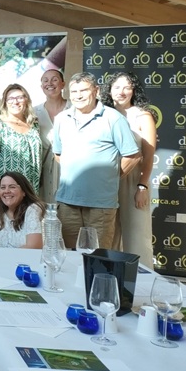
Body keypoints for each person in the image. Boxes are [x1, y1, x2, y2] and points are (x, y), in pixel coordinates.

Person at [53, 72, 140, 249]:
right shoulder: (61, 119)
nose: (78, 96)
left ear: (96, 91)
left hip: (101, 205)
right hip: (67, 202)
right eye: (74, 91)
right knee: (69, 254)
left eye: (84, 90)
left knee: (98, 255)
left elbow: (132, 156)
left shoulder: (113, 118)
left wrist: (109, 176)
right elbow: (58, 154)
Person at [101, 71, 156, 265]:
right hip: (107, 181)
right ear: (109, 90)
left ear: (134, 90)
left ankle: (141, 276)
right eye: (116, 87)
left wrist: (142, 186)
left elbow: (148, 156)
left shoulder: (143, 116)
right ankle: (109, 274)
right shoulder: (102, 115)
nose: (121, 92)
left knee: (137, 235)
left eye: (127, 87)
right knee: (109, 235)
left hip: (133, 181)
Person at [0, 84, 42, 216]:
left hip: (29, 189)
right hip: (5, 191)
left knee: (28, 224)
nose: (15, 102)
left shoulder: (34, 124)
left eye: (20, 97)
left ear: (26, 99)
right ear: (5, 102)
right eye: (10, 98)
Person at [34, 69, 69, 203]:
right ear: (41, 86)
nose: (50, 83)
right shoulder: (34, 112)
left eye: (54, 79)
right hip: (44, 170)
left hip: (68, 168)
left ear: (63, 84)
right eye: (45, 80)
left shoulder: (74, 108)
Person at [0, 172, 44, 249]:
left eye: (12, 187)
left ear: (24, 192)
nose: (6, 191)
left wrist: (7, 256)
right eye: (3, 187)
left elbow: (34, 246)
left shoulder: (33, 209)